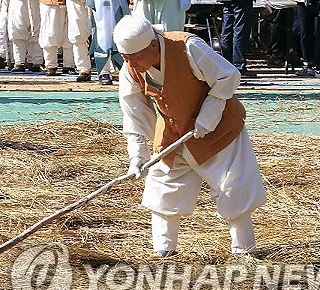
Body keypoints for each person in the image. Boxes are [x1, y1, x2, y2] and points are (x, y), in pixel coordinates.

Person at [114, 15, 266, 258]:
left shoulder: (187, 47)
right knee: (163, 190)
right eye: (125, 58)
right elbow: (134, 113)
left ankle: (243, 252)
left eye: (134, 57)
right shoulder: (131, 69)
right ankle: (164, 251)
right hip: (174, 134)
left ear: (153, 46)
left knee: (233, 189)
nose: (130, 63)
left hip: (219, 130)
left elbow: (228, 75)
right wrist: (137, 156)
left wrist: (209, 115)